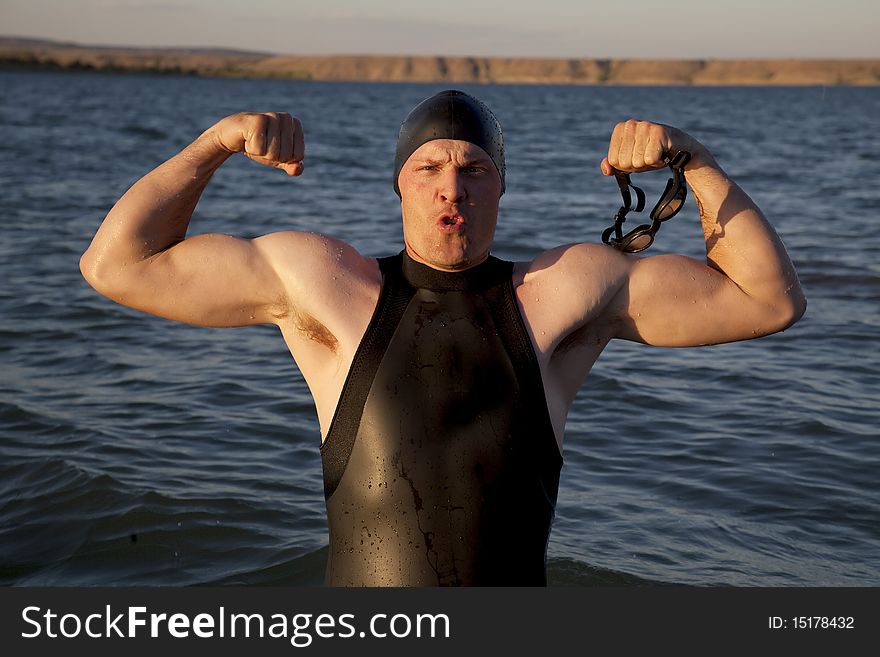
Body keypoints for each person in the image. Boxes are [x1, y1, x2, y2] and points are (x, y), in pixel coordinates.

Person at [80, 89, 806, 586]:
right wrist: (215, 143)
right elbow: (117, 264)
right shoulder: (327, 286)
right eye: (428, 168)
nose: (450, 188)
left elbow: (769, 301)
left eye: (474, 169)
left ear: (501, 187)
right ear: (400, 185)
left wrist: (696, 161)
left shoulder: (565, 291)